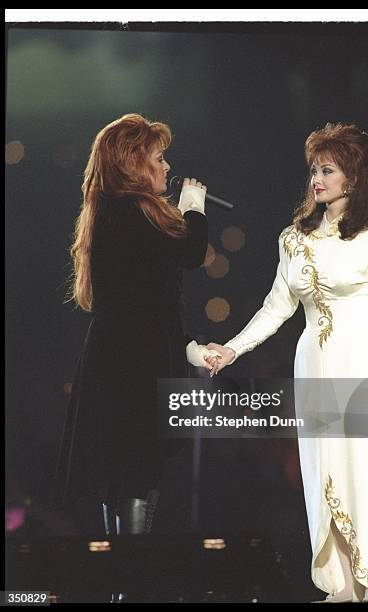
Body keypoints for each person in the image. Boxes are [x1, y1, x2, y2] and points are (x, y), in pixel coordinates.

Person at [194, 123, 368, 602]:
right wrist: (232, 348)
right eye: (313, 170)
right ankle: (343, 589)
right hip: (313, 364)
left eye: (326, 170)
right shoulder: (294, 238)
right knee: (324, 473)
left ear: (351, 178)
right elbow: (276, 307)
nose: (317, 179)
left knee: (365, 477)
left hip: (362, 367)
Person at [53, 113, 219, 550]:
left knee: (134, 469)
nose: (166, 166)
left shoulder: (118, 213)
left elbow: (155, 298)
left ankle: (129, 576)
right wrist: (194, 207)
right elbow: (189, 252)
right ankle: (130, 578)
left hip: (131, 357)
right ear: (133, 162)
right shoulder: (126, 212)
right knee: (134, 468)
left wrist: (188, 350)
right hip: (130, 364)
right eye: (159, 158)